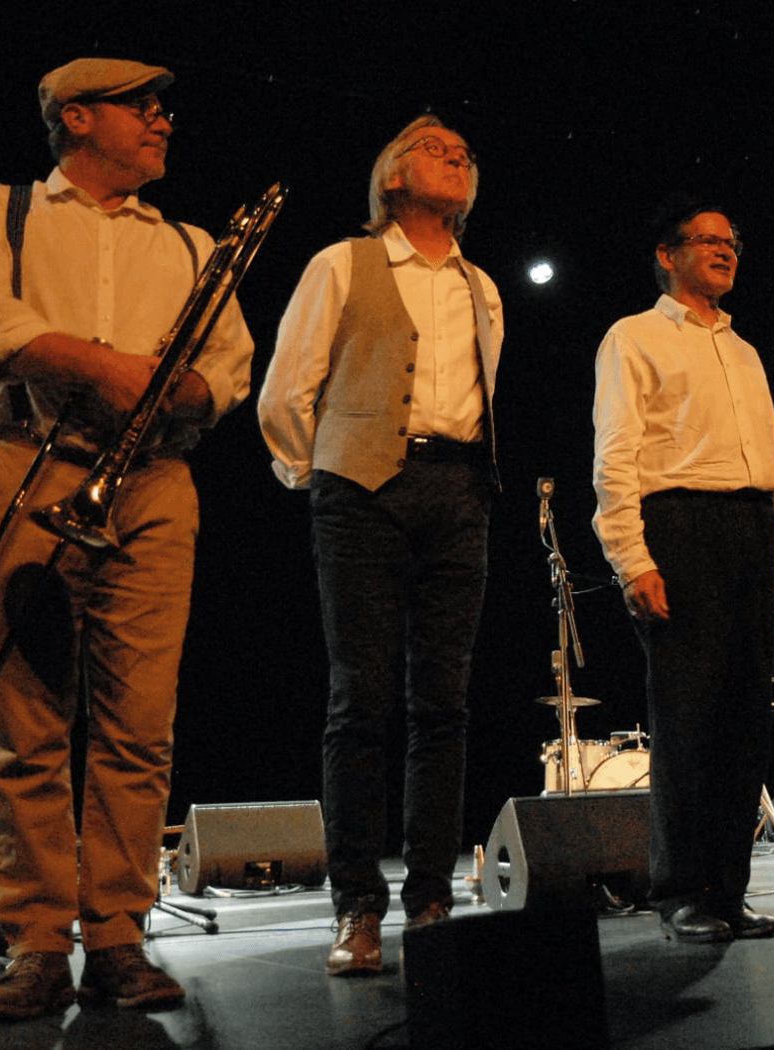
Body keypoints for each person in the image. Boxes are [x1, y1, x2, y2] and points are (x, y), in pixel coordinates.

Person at [0, 58, 254, 1021]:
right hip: (24, 463)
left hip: (153, 478)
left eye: (163, 107)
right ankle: (36, 944)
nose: (162, 119)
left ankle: (117, 935)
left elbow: (228, 367)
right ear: (77, 118)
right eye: (140, 106)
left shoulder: (193, 242)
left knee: (138, 725)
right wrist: (110, 370)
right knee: (25, 722)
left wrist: (176, 392)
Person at [258, 116, 502, 975]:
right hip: (359, 490)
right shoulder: (342, 263)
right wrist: (323, 472)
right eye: (434, 146)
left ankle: (430, 896)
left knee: (444, 702)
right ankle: (357, 904)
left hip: (459, 488)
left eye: (464, 150)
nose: (456, 154)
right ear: (391, 177)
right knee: (359, 699)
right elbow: (286, 390)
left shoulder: (482, 286)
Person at [591, 199, 774, 943]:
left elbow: (772, 466)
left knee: (745, 722)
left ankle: (729, 889)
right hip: (679, 525)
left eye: (732, 242)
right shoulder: (634, 336)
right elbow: (615, 455)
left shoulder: (744, 351)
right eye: (708, 241)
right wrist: (632, 559)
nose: (725, 251)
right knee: (688, 718)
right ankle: (682, 890)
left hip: (751, 526)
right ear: (668, 254)